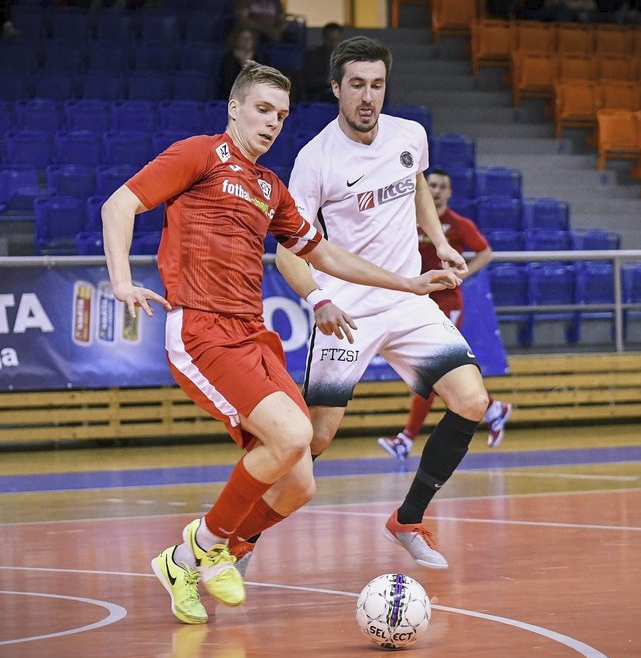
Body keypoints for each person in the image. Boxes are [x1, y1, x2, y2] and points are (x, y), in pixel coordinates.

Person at [101, 60, 459, 625]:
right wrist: (121, 281)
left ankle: (188, 561)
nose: (272, 123)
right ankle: (203, 547)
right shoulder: (200, 154)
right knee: (292, 434)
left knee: (299, 483)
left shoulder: (271, 188)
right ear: (235, 108)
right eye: (263, 110)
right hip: (202, 330)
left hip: (254, 336)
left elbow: (327, 255)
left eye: (282, 115)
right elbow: (119, 205)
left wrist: (409, 281)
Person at [271, 36, 494, 571]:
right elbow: (287, 252)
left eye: (376, 85)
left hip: (409, 299)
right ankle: (241, 537)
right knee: (315, 436)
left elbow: (414, 181)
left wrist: (438, 240)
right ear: (335, 89)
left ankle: (408, 520)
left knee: (471, 401)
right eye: (356, 86)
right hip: (347, 309)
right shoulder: (315, 159)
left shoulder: (408, 135)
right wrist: (318, 297)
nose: (368, 97)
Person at [377, 168, 512, 462]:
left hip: (447, 302)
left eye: (442, 186)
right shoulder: (409, 220)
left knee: (432, 369)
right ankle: (492, 408)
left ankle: (406, 439)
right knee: (432, 373)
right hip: (415, 301)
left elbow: (485, 252)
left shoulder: (458, 224)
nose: (436, 190)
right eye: (432, 185)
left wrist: (462, 272)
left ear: (449, 192)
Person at [302, 21, 341, 103]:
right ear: (325, 38)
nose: (333, 43)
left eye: (335, 40)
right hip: (321, 94)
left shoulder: (344, 56)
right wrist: (327, 81)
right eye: (330, 40)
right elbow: (310, 81)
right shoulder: (314, 56)